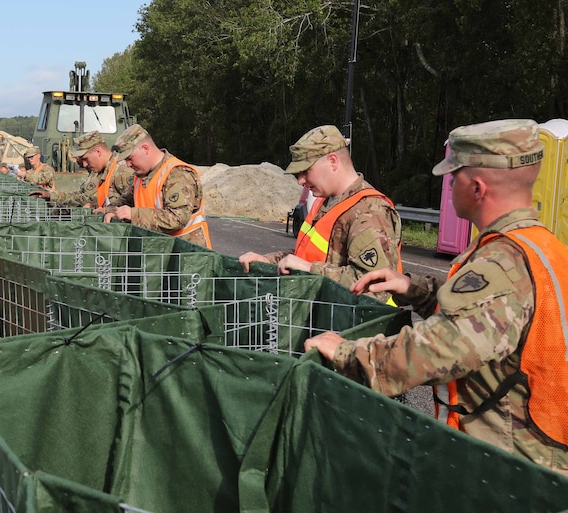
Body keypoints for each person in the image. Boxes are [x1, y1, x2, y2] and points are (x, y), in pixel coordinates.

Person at [304, 119, 568, 476]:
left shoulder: (501, 265)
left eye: (453, 176)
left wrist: (348, 353)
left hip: (511, 464)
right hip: (536, 451)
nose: (448, 184)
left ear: (477, 187)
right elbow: (491, 325)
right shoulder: (541, 246)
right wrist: (415, 290)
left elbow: (435, 351)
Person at [238, 124, 402, 304]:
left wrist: (310, 269)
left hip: (362, 327)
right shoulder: (327, 202)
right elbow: (309, 256)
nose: (301, 181)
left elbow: (375, 286)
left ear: (332, 161)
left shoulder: (369, 212)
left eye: (306, 171)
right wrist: (267, 261)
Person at [103, 124, 212, 248]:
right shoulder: (141, 177)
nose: (128, 165)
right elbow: (125, 201)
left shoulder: (178, 174)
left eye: (130, 158)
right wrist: (112, 211)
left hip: (186, 255)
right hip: (161, 253)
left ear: (145, 149)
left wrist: (133, 214)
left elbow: (177, 218)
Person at [28, 130, 134, 208]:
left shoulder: (123, 172)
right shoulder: (97, 173)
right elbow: (81, 197)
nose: (84, 164)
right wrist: (51, 195)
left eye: (86, 159)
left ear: (98, 151)